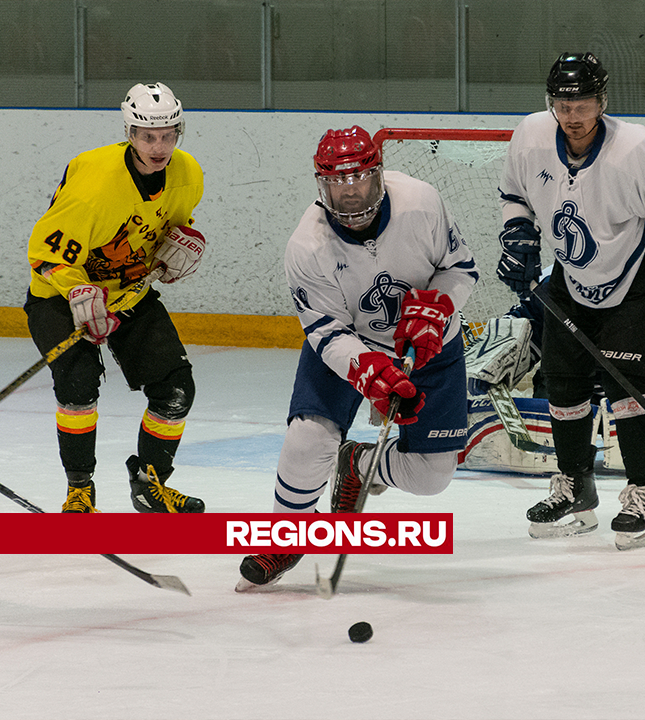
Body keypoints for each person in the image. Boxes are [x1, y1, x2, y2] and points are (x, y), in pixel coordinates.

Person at [237, 126, 478, 589]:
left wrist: (439, 304)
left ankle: (360, 464)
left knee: (432, 477)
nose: (349, 193)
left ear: (378, 175)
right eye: (336, 182)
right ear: (320, 185)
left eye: (359, 179)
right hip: (352, 348)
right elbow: (326, 331)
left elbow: (461, 268)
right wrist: (368, 371)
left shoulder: (422, 202)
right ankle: (284, 537)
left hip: (431, 346)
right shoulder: (305, 246)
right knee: (307, 440)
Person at [496, 52, 645, 549]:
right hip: (570, 278)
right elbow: (514, 195)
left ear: (602, 102)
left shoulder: (635, 149)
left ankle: (644, 493)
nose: (573, 114)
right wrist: (518, 235)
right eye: (563, 103)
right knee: (563, 387)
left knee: (628, 390)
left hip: (632, 280)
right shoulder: (530, 136)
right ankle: (576, 488)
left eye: (584, 102)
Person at [24, 82, 206, 514]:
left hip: (129, 294)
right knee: (78, 389)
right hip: (58, 295)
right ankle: (79, 491)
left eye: (167, 135)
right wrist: (78, 291)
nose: (158, 146)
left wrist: (173, 254)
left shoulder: (188, 174)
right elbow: (43, 256)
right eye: (148, 136)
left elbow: (164, 235)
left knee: (177, 388)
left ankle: (150, 483)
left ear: (178, 131)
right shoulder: (95, 185)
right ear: (130, 133)